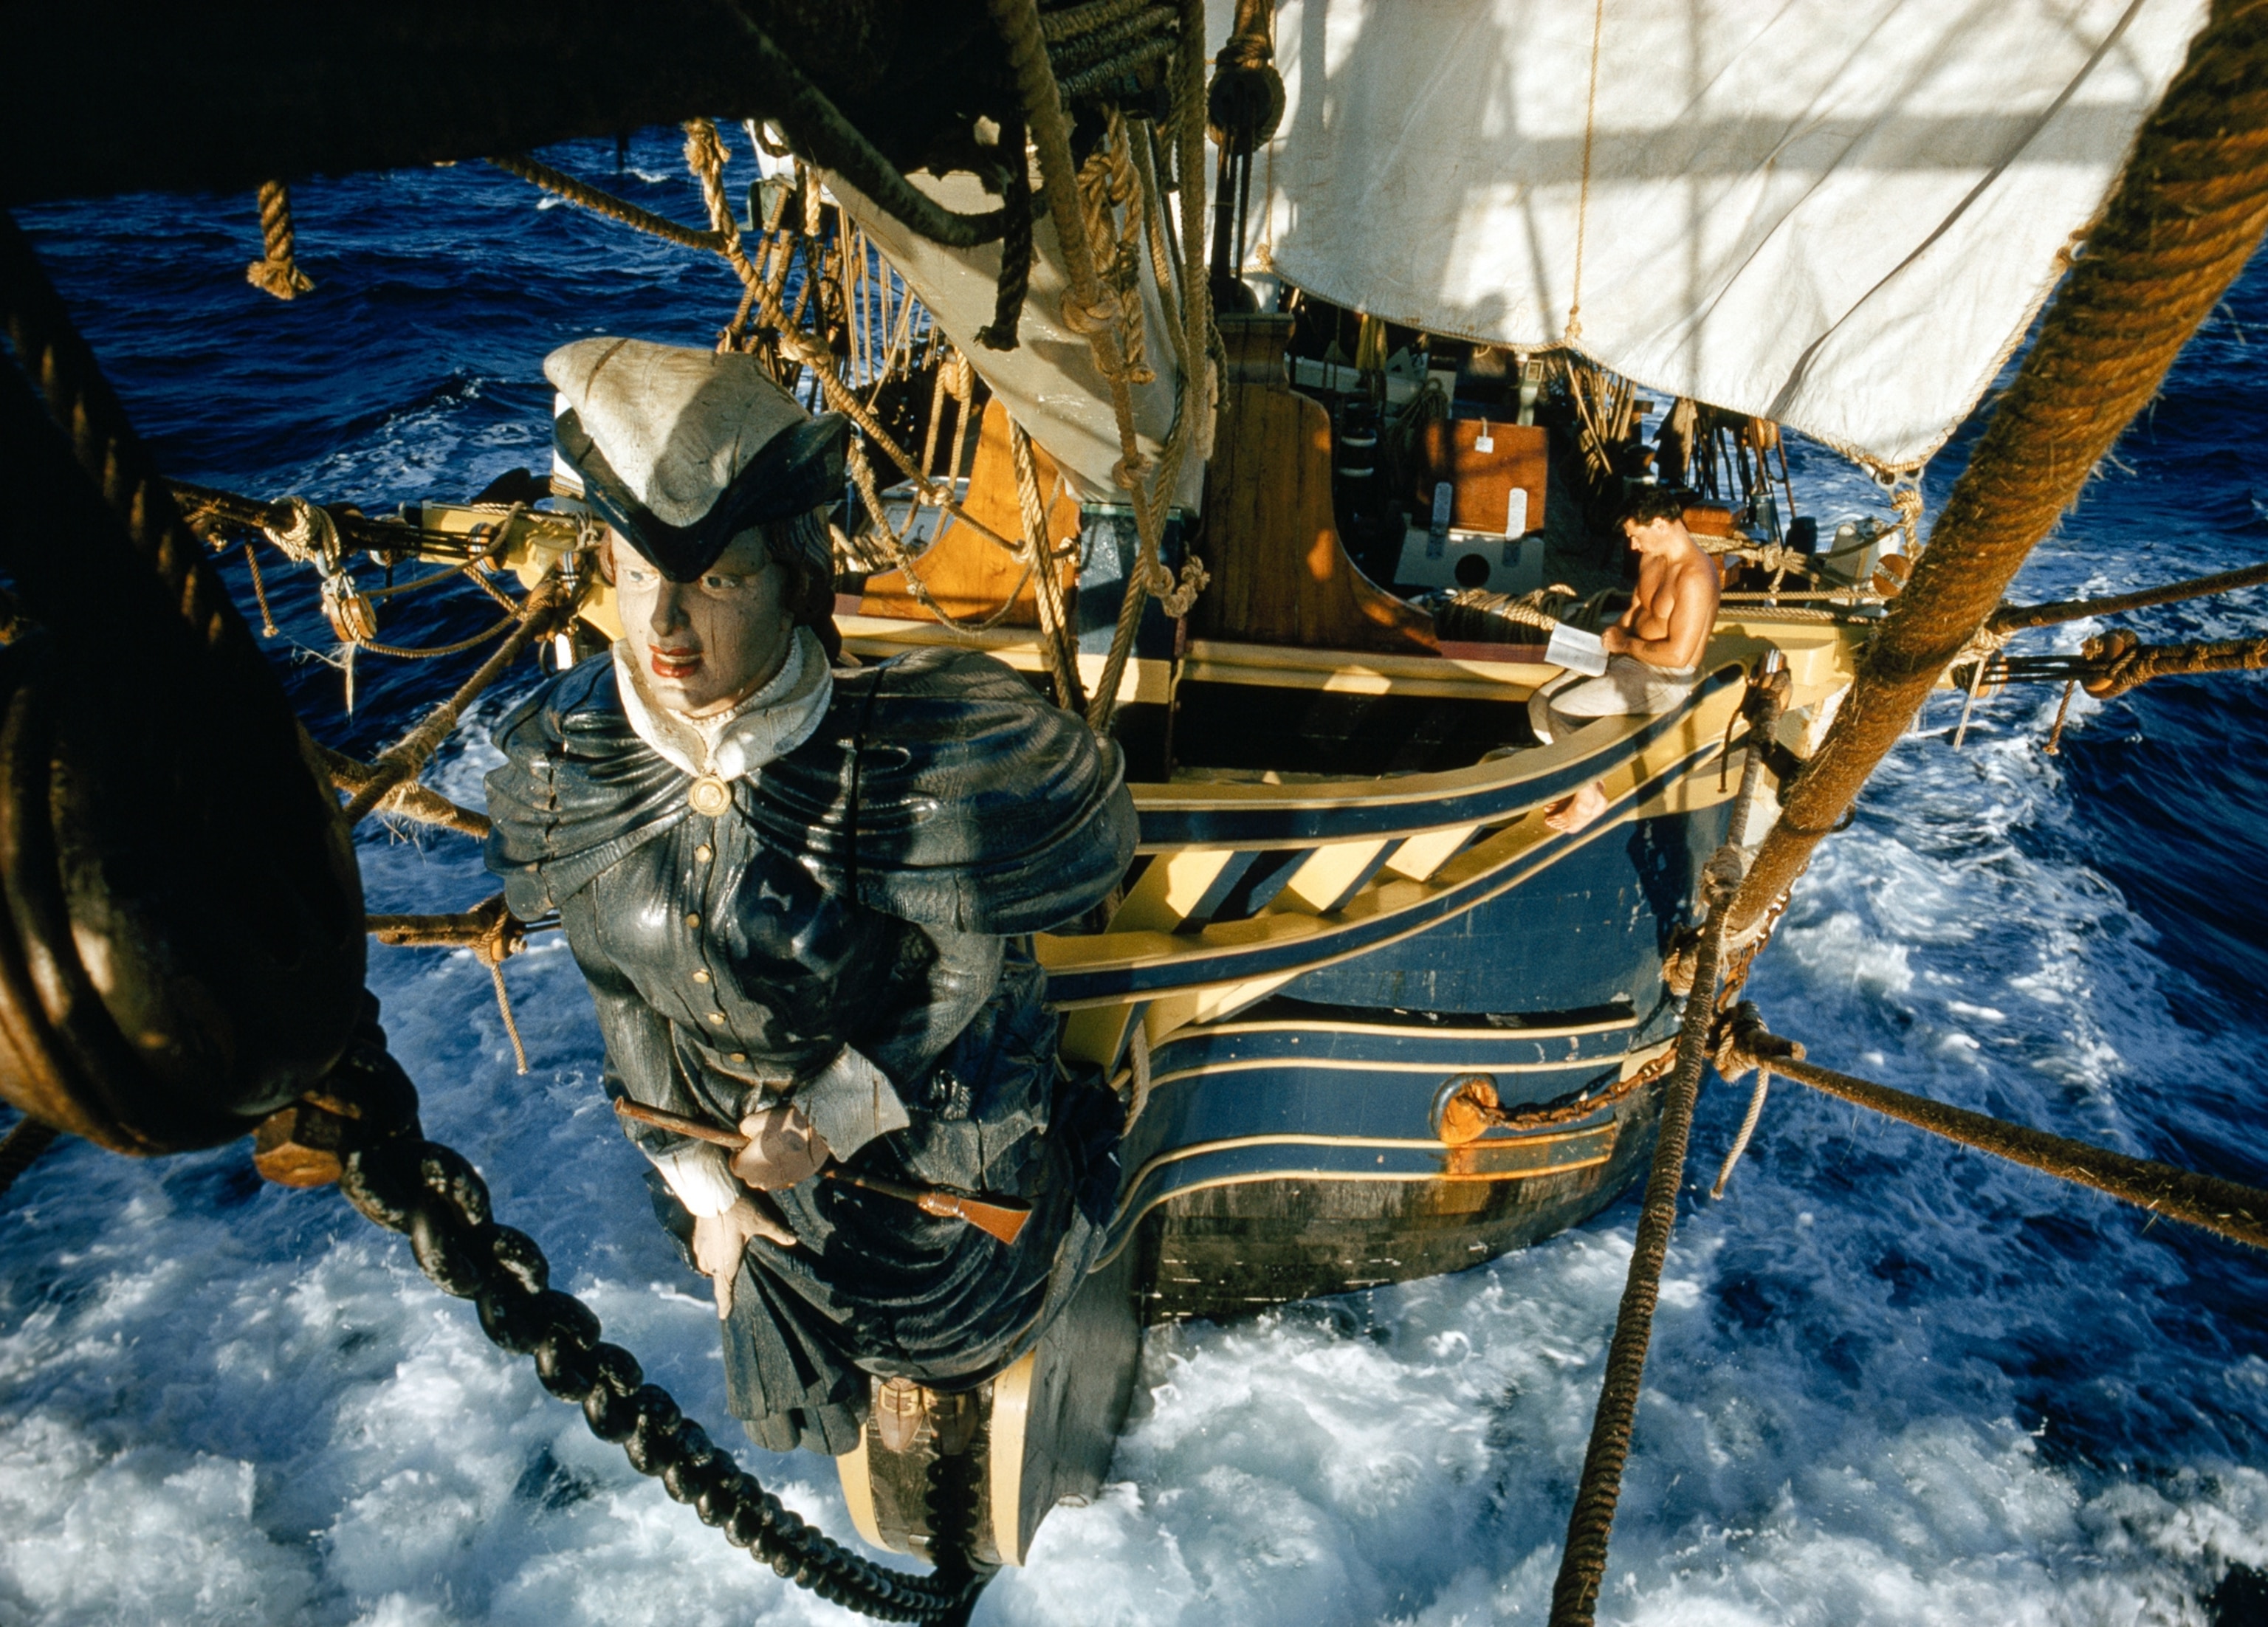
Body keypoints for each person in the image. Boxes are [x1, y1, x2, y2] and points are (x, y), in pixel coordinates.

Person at [484, 337, 1137, 1457]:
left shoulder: (916, 756)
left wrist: (833, 1116)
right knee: (761, 1260)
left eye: (717, 582)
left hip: (914, 1126)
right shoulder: (571, 765)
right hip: (730, 1152)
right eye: (636, 578)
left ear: (793, 582)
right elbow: (619, 994)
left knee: (944, 1303)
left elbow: (966, 977)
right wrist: (706, 1187)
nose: (664, 626)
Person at [1537, 486, 1721, 833]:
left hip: (1664, 678)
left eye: (1636, 536)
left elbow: (1678, 655)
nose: (1633, 546)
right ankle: (1582, 778)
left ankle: (1589, 798)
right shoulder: (1653, 558)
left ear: (1660, 524)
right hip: (1627, 657)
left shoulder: (1695, 576)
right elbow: (1637, 608)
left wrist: (1624, 645)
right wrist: (1610, 638)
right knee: (1540, 704)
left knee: (1562, 710)